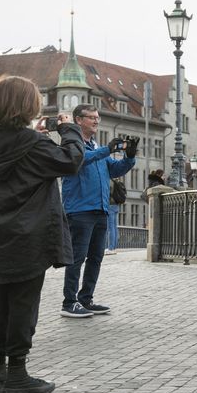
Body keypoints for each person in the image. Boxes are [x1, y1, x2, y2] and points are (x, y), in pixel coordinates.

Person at [0, 75, 84, 393]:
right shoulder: (34, 144)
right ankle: (17, 375)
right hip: (29, 235)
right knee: (24, 303)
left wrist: (35, 137)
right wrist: (69, 129)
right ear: (26, 105)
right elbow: (71, 161)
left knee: (2, 303)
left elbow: (23, 155)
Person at [60, 104, 138, 318]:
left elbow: (115, 169)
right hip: (80, 210)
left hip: (101, 209)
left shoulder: (97, 147)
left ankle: (86, 299)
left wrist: (129, 157)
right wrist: (106, 150)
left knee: (95, 258)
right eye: (91, 117)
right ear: (78, 120)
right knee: (77, 257)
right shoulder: (73, 145)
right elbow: (79, 162)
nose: (96, 121)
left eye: (98, 118)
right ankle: (69, 302)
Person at [106, 177, 125, 255]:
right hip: (116, 205)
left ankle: (110, 248)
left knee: (110, 228)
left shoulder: (110, 181)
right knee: (114, 227)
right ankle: (114, 247)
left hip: (110, 205)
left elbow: (107, 193)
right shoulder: (117, 181)